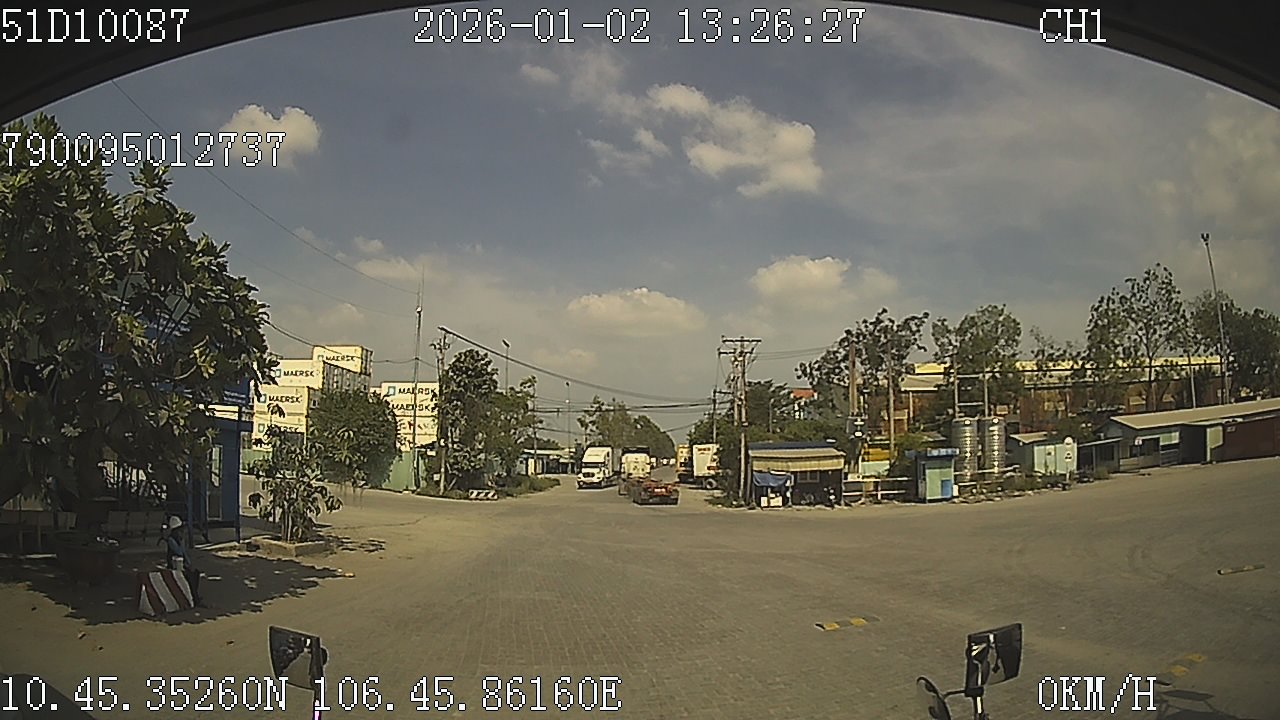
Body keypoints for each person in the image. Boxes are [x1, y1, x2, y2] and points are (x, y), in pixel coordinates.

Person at [165, 516, 204, 606]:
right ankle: (195, 598)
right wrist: (182, 543)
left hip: (182, 563)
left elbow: (185, 554)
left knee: (195, 573)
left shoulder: (179, 539)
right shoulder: (171, 540)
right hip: (174, 564)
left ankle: (194, 595)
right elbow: (178, 551)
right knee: (190, 577)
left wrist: (189, 564)